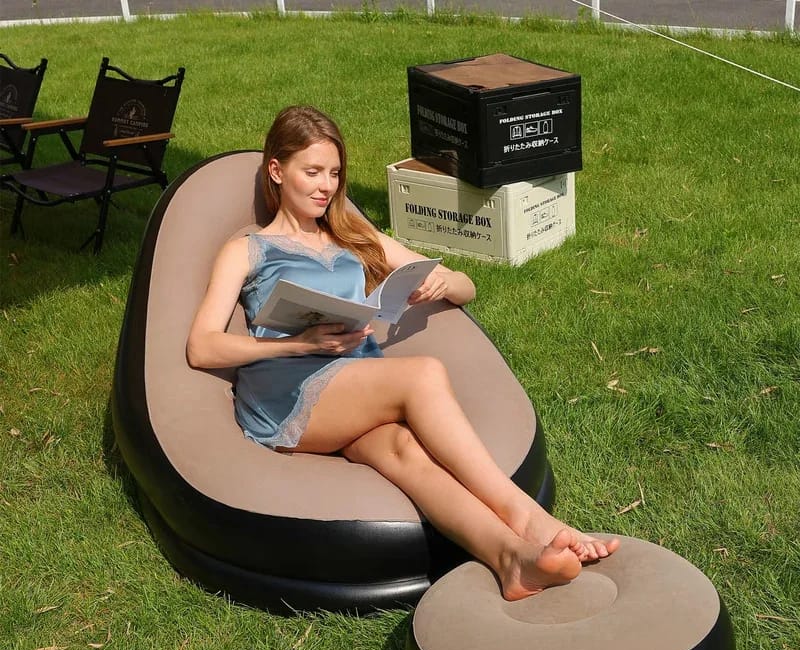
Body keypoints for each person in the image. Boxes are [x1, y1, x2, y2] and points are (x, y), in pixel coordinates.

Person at [187, 106, 618, 601]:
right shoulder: (249, 249)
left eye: (334, 173)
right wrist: (300, 344)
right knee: (423, 374)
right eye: (312, 172)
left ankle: (512, 561)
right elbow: (202, 346)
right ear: (277, 171)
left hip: (353, 385)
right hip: (288, 392)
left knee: (404, 451)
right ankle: (530, 518)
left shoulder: (351, 236)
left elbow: (467, 286)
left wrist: (443, 282)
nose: (326, 186)